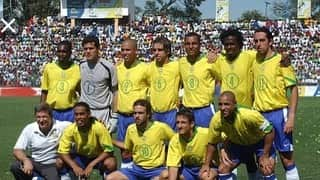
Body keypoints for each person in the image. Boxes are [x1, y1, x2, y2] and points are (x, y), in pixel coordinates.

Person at [252, 27, 300, 180]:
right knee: (265, 163)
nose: (258, 44)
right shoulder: (253, 60)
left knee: (286, 159)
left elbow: (292, 89)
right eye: (256, 41)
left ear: (270, 41)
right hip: (260, 116)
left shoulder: (281, 61)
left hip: (278, 114)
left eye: (262, 40)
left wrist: (291, 117)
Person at [200, 91, 277, 180]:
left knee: (267, 168)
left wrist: (265, 154)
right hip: (237, 145)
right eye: (220, 104)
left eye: (227, 104)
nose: (223, 108)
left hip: (259, 143)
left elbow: (269, 130)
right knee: (223, 168)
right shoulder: (216, 120)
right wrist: (206, 165)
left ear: (235, 104)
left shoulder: (248, 115)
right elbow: (212, 143)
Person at [107, 99, 174, 180]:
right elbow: (126, 146)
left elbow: (176, 140)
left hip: (156, 170)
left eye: (140, 113)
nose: (137, 116)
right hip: (136, 169)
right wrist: (110, 140)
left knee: (166, 175)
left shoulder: (160, 127)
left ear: (148, 114)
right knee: (110, 178)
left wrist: (170, 159)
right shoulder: (131, 129)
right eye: (135, 113)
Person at [10, 103, 71, 180]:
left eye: (44, 117)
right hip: (35, 162)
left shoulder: (63, 126)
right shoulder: (30, 128)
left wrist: (62, 158)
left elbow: (78, 128)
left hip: (51, 165)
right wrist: (26, 161)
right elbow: (17, 150)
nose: (41, 120)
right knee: (15, 166)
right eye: (38, 117)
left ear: (51, 117)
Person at [58, 102, 117, 179]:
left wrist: (91, 164)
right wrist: (74, 166)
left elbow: (109, 150)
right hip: (80, 157)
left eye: (82, 114)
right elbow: (62, 152)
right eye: (76, 114)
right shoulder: (70, 129)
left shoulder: (99, 127)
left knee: (111, 162)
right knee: (59, 162)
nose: (79, 117)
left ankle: (107, 177)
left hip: (97, 157)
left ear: (89, 114)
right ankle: (67, 177)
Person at [116, 39, 149, 167]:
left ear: (136, 51)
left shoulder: (144, 68)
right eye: (123, 50)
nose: (125, 53)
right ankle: (126, 172)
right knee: (124, 151)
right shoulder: (118, 68)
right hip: (122, 116)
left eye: (128, 50)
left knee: (141, 148)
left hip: (137, 117)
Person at [159, 108, 218, 180]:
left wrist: (223, 151)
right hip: (189, 170)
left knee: (206, 177)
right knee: (165, 175)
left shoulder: (205, 133)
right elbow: (173, 166)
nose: (179, 126)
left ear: (192, 124)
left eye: (183, 122)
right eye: (177, 122)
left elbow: (224, 137)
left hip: (208, 167)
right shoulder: (175, 140)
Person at [179, 32, 218, 128]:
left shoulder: (209, 61)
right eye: (188, 44)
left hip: (204, 110)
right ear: (184, 45)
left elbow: (220, 80)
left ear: (200, 45)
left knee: (206, 140)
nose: (191, 46)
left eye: (194, 43)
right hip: (186, 111)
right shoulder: (181, 62)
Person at [79, 36, 118, 133]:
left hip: (102, 112)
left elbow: (115, 92)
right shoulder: (80, 65)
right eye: (85, 49)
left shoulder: (108, 67)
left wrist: (114, 116)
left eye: (91, 48)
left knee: (104, 146)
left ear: (98, 49)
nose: (88, 51)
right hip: (85, 112)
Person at [40, 40, 80, 122]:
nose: (61, 54)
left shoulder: (77, 69)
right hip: (52, 111)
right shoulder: (49, 68)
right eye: (59, 51)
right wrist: (42, 111)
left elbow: (81, 92)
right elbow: (44, 91)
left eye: (64, 52)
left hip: (71, 112)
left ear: (70, 53)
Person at [148, 36, 180, 129]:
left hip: (171, 113)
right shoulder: (149, 67)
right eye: (154, 50)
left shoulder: (176, 66)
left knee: (172, 142)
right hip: (154, 113)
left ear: (168, 52)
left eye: (160, 50)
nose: (156, 53)